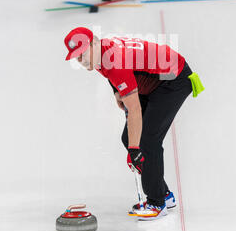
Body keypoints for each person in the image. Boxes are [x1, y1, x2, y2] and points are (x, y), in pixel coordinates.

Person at [64, 27, 204, 221]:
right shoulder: (100, 53)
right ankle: (163, 193)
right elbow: (112, 75)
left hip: (173, 81)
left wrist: (135, 149)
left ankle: (157, 202)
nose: (82, 61)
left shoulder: (113, 62)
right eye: (77, 58)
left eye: (83, 54)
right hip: (153, 83)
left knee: (146, 142)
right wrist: (117, 91)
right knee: (130, 138)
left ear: (95, 42)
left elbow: (135, 110)